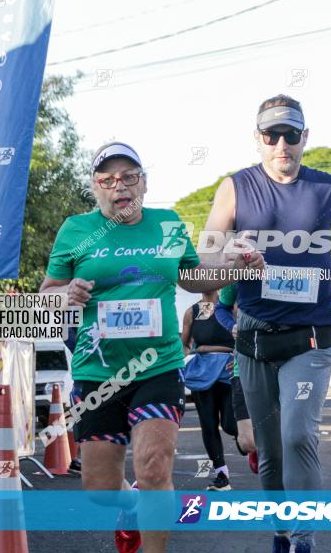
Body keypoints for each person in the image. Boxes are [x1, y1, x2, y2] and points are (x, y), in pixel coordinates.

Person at [40, 142, 264, 553]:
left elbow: (193, 277)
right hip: (98, 370)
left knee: (155, 465)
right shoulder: (76, 229)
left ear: (144, 182)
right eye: (107, 179)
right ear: (96, 187)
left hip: (157, 363)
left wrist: (233, 265)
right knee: (100, 488)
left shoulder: (168, 224)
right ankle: (131, 507)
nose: (119, 185)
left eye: (129, 176)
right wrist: (66, 292)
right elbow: (47, 294)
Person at [201, 94, 331, 553]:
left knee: (298, 435)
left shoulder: (330, 188)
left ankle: (304, 538)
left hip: (309, 338)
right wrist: (230, 257)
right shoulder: (234, 188)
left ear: (304, 138)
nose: (281, 145)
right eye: (271, 135)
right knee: (269, 451)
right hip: (254, 336)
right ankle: (280, 532)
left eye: (290, 135)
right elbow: (206, 255)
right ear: (258, 139)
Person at [181, 291, 239, 490]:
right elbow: (185, 345)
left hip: (230, 371)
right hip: (203, 373)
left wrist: (232, 354)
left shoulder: (231, 307)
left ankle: (247, 439)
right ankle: (222, 475)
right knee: (208, 424)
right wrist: (190, 358)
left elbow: (245, 337)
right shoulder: (193, 311)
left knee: (230, 424)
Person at [213, 282, 258, 473]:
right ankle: (255, 450)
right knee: (248, 442)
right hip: (244, 364)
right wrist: (232, 326)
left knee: (285, 435)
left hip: (282, 364)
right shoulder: (241, 271)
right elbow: (221, 308)